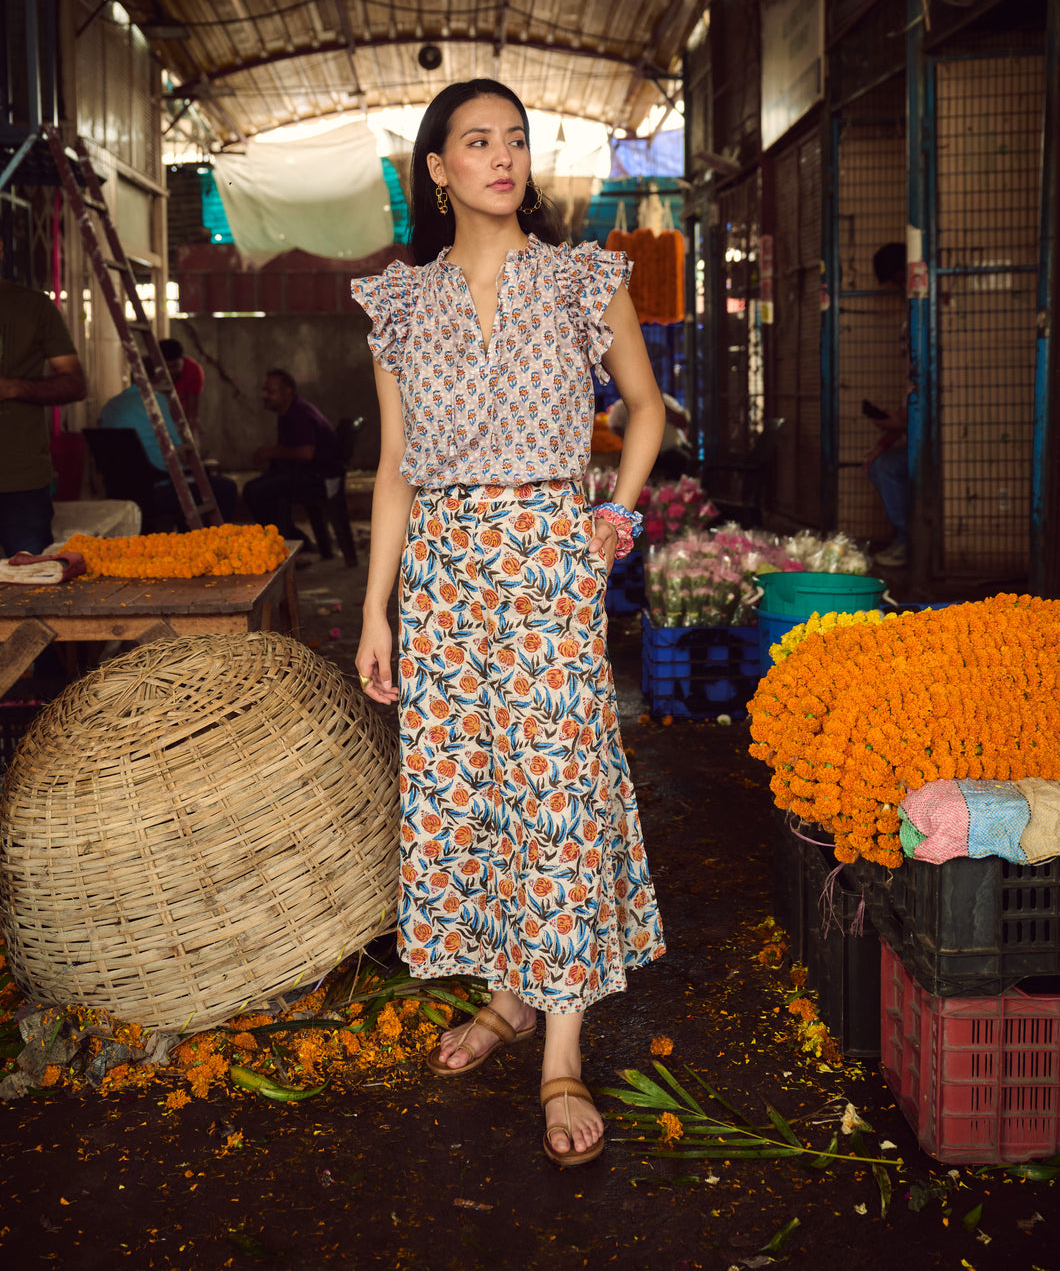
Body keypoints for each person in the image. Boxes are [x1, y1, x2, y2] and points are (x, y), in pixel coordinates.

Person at [351, 78, 667, 1168]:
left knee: (558, 788)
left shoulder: (582, 281)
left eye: (516, 141)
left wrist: (615, 516)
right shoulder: (399, 305)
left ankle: (562, 1048)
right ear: (435, 171)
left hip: (546, 565)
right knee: (472, 783)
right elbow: (393, 470)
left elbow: (645, 406)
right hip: (441, 575)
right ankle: (510, 995)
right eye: (476, 142)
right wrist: (375, 610)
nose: (502, 157)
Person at [0, 251, 87, 556]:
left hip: (20, 479)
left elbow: (75, 384)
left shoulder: (34, 306)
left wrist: (11, 387)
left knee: (34, 590)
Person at [99, 362, 237, 523]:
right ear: (158, 378)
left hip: (121, 490)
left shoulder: (109, 406)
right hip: (159, 488)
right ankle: (208, 543)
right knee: (226, 488)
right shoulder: (156, 402)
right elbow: (185, 455)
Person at [242, 369, 342, 549]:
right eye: (264, 391)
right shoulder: (287, 412)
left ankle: (291, 544)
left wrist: (271, 453)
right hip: (306, 474)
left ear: (287, 392)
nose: (264, 396)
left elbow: (306, 454)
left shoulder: (300, 413)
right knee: (256, 488)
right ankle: (296, 541)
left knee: (257, 492)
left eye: (270, 391)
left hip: (320, 478)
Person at [862, 241, 910, 568]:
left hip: (935, 441)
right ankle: (906, 538)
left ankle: (909, 541)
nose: (898, 288)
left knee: (887, 468)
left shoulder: (922, 314)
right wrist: (884, 439)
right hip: (912, 427)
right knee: (879, 464)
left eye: (896, 281)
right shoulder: (912, 317)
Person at [607, 391, 692, 478]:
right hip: (638, 456)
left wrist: (661, 404)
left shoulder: (666, 400)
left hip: (670, 452)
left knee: (684, 460)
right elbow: (613, 429)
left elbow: (683, 423)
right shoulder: (622, 405)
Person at [159, 336, 205, 442]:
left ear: (182, 360)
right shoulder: (153, 371)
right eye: (168, 367)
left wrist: (189, 433)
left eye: (175, 366)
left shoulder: (193, 370)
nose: (171, 371)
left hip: (181, 417)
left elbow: (192, 410)